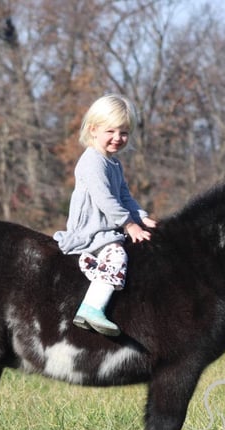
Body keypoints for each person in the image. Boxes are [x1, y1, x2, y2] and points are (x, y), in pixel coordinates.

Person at [54, 94, 158, 336]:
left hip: (107, 227)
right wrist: (130, 225)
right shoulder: (92, 162)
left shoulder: (114, 164)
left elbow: (124, 197)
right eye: (111, 131)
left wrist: (141, 217)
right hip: (91, 231)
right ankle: (91, 308)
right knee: (117, 255)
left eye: (124, 133)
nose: (118, 138)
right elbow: (106, 201)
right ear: (93, 130)